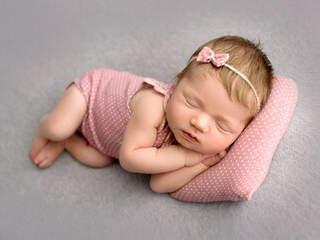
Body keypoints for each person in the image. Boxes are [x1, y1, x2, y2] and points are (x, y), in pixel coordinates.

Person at [29, 35, 273, 193]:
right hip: (89, 96)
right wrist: (186, 158)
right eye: (191, 101)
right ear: (177, 82)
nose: (198, 122)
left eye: (222, 125)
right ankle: (47, 128)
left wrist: (201, 163)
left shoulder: (200, 145)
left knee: (98, 160)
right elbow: (130, 159)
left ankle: (67, 141)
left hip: (105, 141)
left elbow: (159, 185)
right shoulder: (153, 103)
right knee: (57, 126)